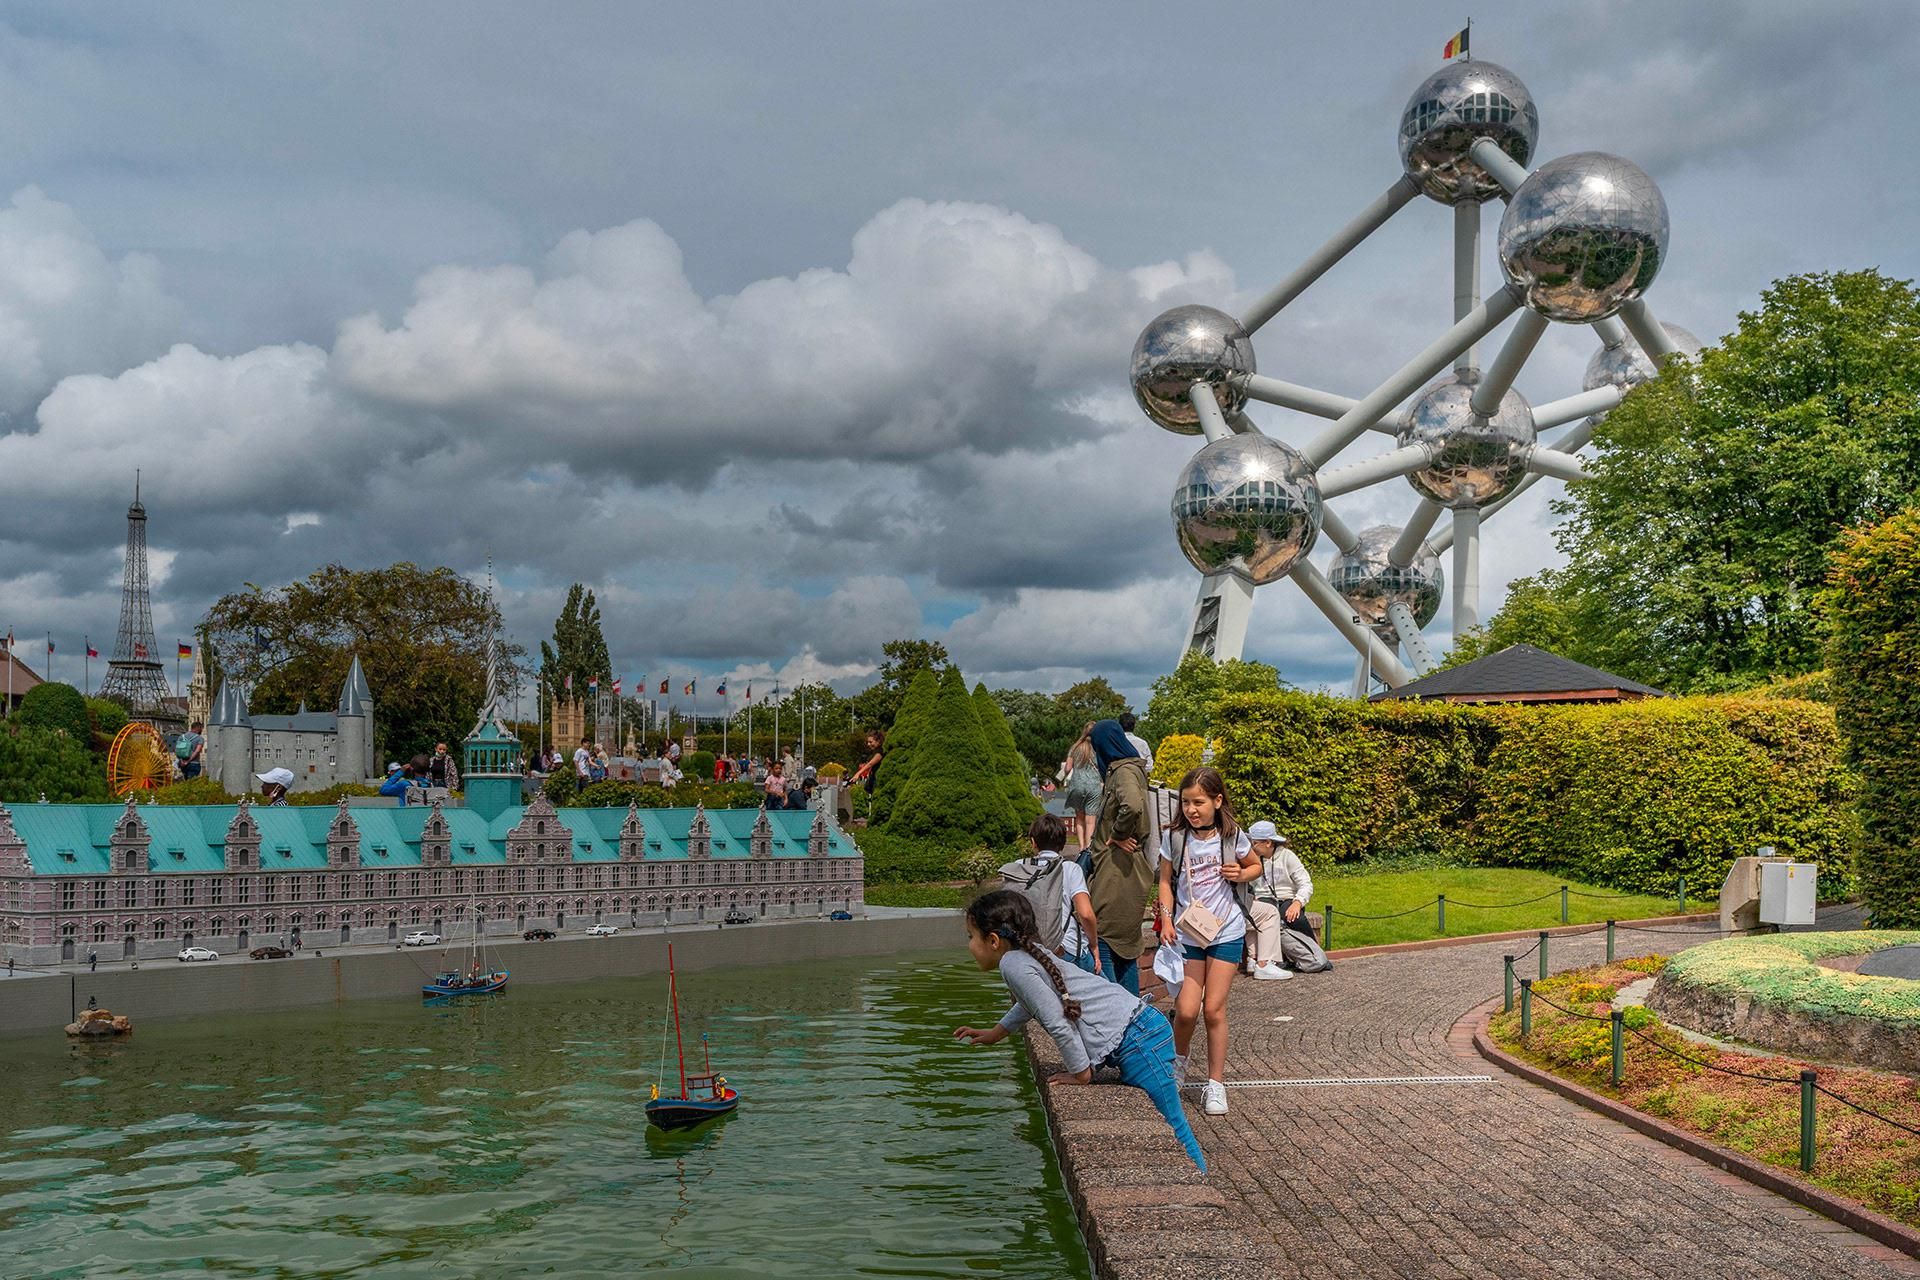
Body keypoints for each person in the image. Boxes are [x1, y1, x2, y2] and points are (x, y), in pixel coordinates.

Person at [952, 889, 1205, 1170]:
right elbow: (1032, 1003)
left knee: (1173, 1122)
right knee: (1170, 1121)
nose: (969, 945)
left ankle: (1202, 1182)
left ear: (993, 940)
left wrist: (1081, 1073)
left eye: (970, 937)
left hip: (1140, 1038)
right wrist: (996, 1033)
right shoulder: (1026, 956)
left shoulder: (1013, 964)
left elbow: (1056, 1022)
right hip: (1142, 1031)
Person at [1156, 766, 1259, 1117]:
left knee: (1213, 1009)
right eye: (1185, 802)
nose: (1191, 809)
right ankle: (1177, 1067)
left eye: (1198, 802)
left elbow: (1255, 865)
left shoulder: (1232, 835)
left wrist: (1241, 873)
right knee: (1185, 1010)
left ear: (1217, 800)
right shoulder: (1174, 837)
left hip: (1226, 930)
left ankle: (1216, 1085)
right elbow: (1166, 882)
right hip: (1188, 933)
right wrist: (1166, 920)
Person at [1085, 720, 1153, 995]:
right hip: (1122, 870)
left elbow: (1132, 805)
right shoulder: (1127, 770)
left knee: (1103, 936)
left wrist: (1118, 834)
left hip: (1117, 871)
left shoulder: (1123, 772)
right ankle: (1133, 1015)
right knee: (1123, 949)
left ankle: (1117, 1012)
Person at [1026, 813, 1100, 975]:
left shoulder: (1019, 868)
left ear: (1033, 842)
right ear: (1063, 843)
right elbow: (1086, 914)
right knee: (1110, 994)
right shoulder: (1070, 869)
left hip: (1029, 951)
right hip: (1066, 949)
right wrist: (1093, 946)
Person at [1245, 821, 1314, 980]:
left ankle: (1311, 952)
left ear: (1268, 842)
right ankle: (1257, 959)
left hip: (1286, 898)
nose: (1251, 847)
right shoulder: (1254, 859)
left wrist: (1298, 902)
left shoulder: (1287, 857)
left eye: (1254, 843)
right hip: (1263, 898)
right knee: (1259, 915)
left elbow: (1305, 883)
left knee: (1293, 917)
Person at [1057, 728, 1101, 850]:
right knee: (1090, 820)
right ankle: (1088, 848)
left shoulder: (1075, 747)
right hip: (1094, 785)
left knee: (1079, 818)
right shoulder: (1099, 747)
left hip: (1077, 785)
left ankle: (1081, 847)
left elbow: (1067, 768)